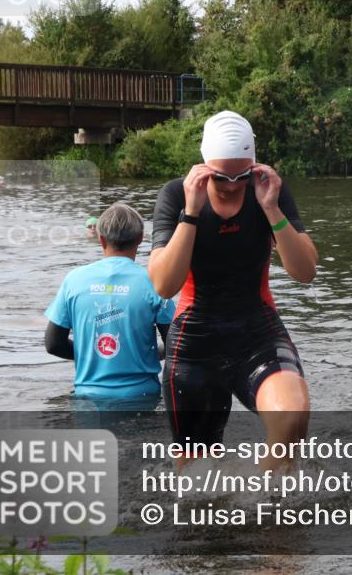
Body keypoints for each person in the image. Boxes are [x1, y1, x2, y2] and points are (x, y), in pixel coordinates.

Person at [148, 110, 317, 464]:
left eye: (241, 175)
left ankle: (266, 506)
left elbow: (305, 271)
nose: (230, 185)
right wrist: (191, 213)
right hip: (195, 344)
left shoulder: (266, 191)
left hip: (256, 332)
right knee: (196, 481)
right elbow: (164, 284)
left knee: (293, 417)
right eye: (221, 176)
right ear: (204, 165)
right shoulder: (177, 195)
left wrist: (272, 210)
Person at [44, 203, 175, 405]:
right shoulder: (155, 281)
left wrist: (92, 356)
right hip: (142, 397)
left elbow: (53, 344)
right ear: (140, 238)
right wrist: (146, 354)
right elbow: (176, 346)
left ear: (101, 239)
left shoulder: (74, 280)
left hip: (87, 397)